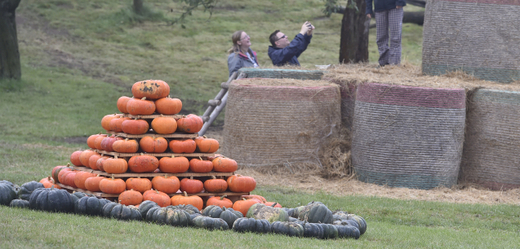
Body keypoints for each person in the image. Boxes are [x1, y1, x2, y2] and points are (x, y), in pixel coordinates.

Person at [366, 0, 406, 66]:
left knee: (395, 37)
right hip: (379, 7)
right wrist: (368, 9)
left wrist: (400, 2)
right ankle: (384, 63)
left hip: (395, 7)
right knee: (380, 37)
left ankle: (394, 64)